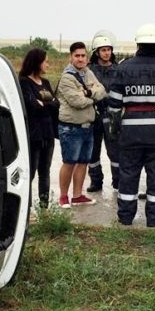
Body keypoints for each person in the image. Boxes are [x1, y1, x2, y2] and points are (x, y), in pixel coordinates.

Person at [106, 23, 155, 227]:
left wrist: (114, 131)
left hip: (131, 134)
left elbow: (113, 105)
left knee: (128, 175)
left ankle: (125, 216)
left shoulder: (124, 67)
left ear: (138, 43)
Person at [55, 41, 107, 208]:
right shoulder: (66, 78)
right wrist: (92, 95)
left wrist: (88, 92)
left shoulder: (88, 73)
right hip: (71, 128)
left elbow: (102, 91)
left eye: (83, 55)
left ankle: (77, 196)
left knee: (83, 162)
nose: (80, 59)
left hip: (87, 126)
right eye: (77, 56)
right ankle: (63, 196)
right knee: (69, 162)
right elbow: (77, 101)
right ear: (71, 57)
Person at [19, 48, 58, 208]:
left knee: (45, 172)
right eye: (45, 61)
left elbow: (57, 105)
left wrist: (45, 104)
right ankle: (25, 209)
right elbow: (33, 106)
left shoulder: (46, 83)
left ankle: (44, 207)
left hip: (48, 134)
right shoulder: (23, 82)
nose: (48, 64)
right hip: (34, 135)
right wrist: (46, 104)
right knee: (30, 173)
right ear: (36, 62)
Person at [86, 30, 120, 193]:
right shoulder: (88, 70)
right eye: (103, 50)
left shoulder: (118, 69)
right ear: (97, 52)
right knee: (93, 151)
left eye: (109, 49)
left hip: (111, 115)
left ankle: (118, 181)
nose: (107, 53)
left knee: (115, 151)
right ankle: (96, 181)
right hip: (93, 115)